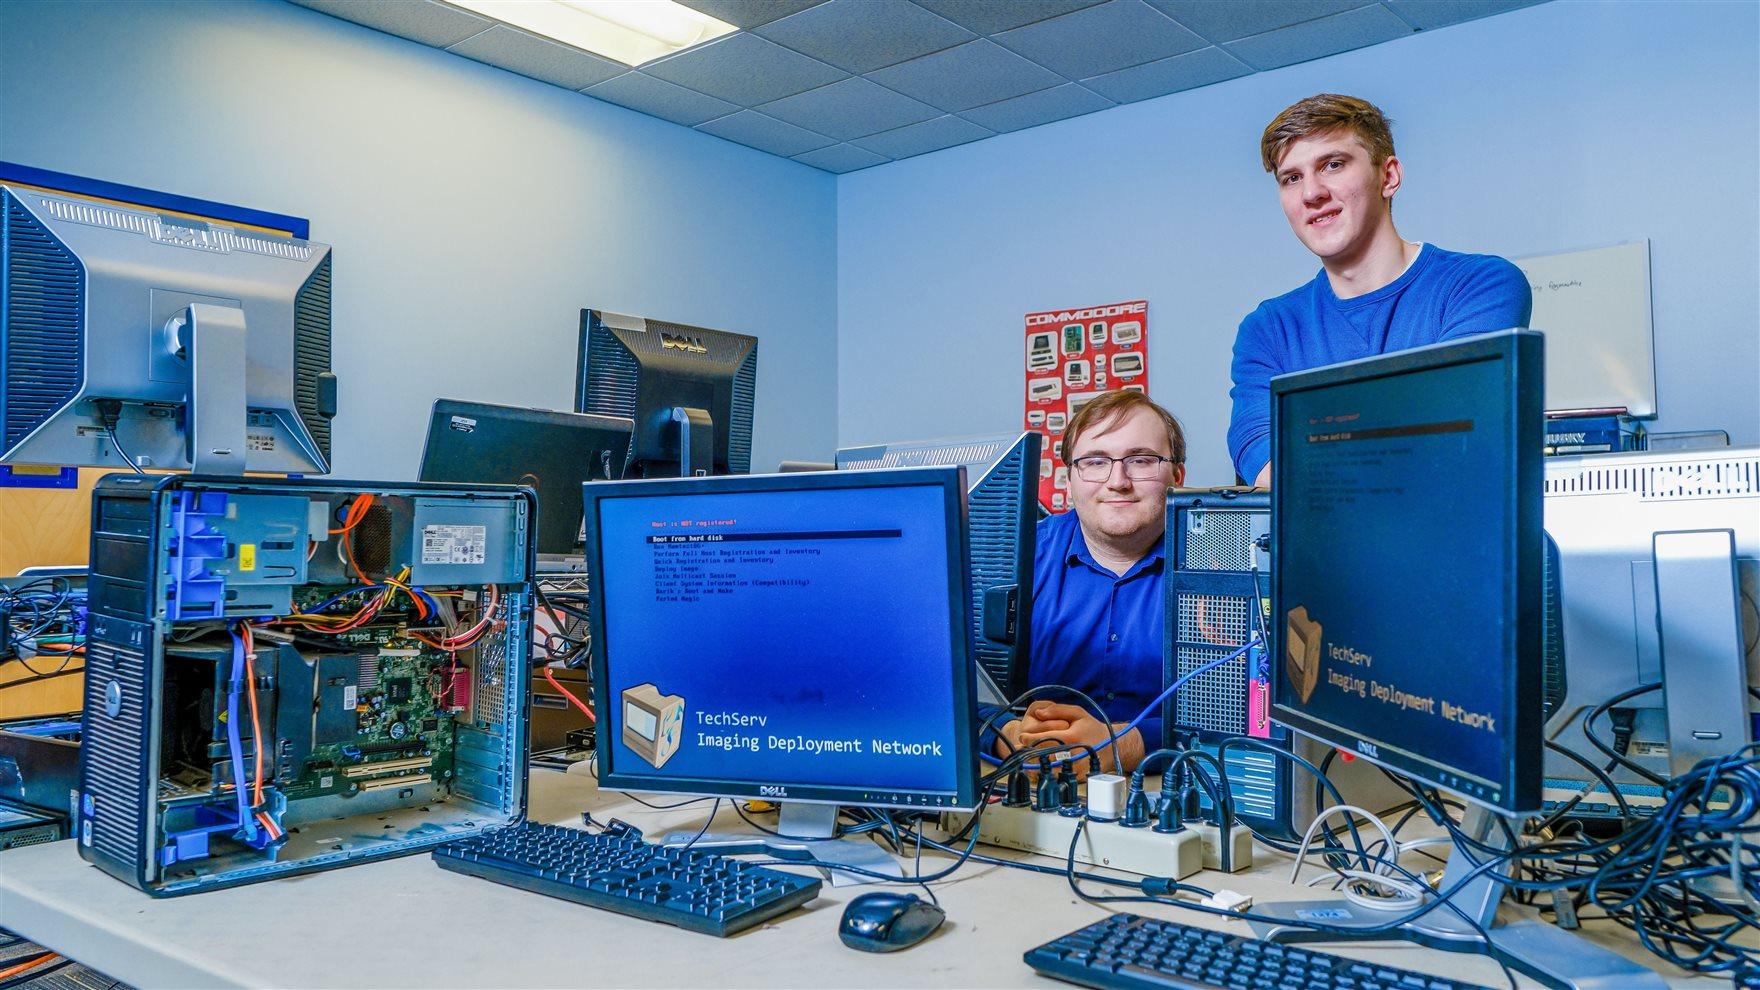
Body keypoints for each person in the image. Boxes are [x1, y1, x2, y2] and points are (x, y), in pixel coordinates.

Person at [1228, 94, 1533, 487]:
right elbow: (1260, 452)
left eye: (1333, 164)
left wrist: (1318, 448)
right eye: (1292, 178)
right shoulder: (1270, 329)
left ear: (1388, 177)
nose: (1311, 193)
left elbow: (1448, 428)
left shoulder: (1480, 286)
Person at [992, 389, 1185, 775]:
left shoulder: (1224, 567)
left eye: (1141, 460)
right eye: (1095, 461)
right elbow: (950, 685)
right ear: (1069, 481)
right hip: (1028, 784)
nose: (1118, 481)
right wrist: (1006, 734)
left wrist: (1124, 744)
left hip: (1167, 787)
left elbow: (1251, 714)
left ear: (1177, 477)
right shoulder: (1013, 559)